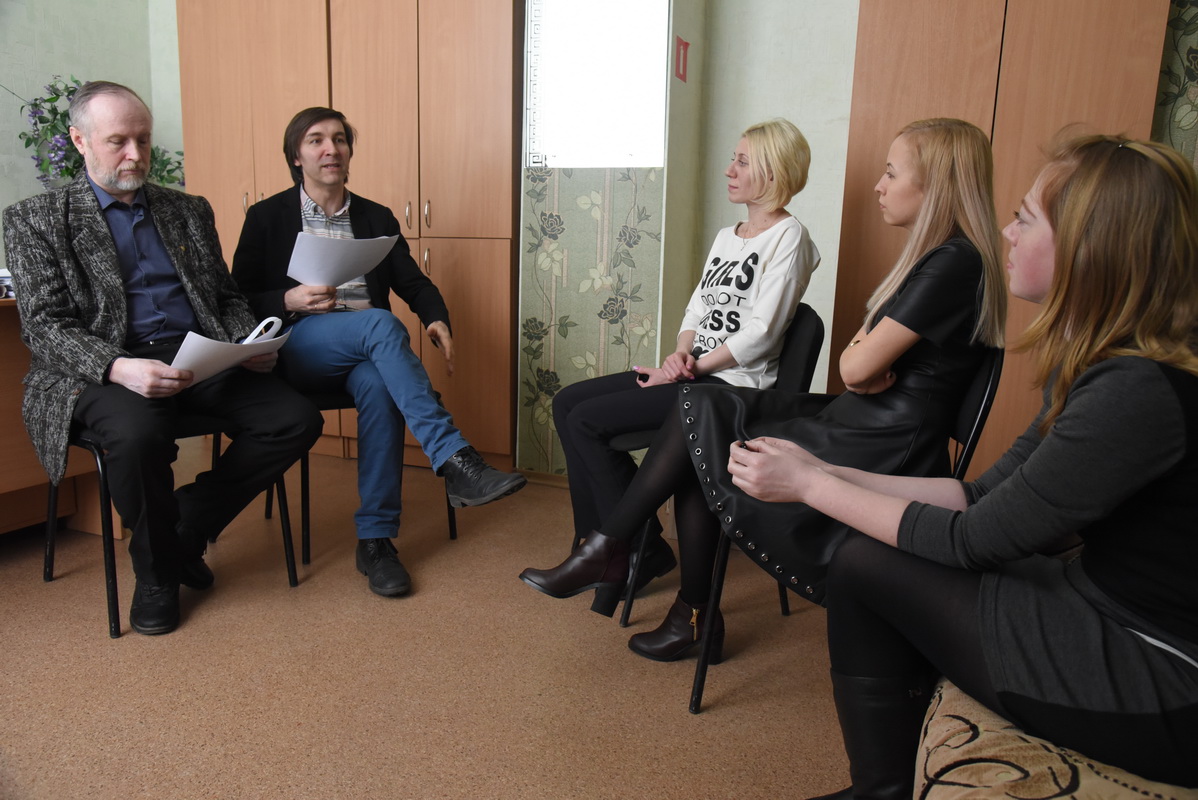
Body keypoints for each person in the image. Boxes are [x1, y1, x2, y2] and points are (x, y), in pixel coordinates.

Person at [729, 135, 1198, 795]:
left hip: (1164, 672)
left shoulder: (1136, 390)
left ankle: (880, 790)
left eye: (1025, 219)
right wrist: (824, 472)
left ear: (1088, 248)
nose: (1006, 231)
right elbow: (978, 496)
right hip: (1109, 604)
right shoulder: (1112, 365)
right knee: (870, 555)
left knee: (864, 562)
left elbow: (974, 538)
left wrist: (808, 485)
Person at [519, 119, 1007, 661]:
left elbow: (853, 367)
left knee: (702, 421)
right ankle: (657, 585)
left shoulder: (951, 263)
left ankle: (624, 558)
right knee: (696, 420)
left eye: (892, 173)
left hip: (882, 439)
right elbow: (858, 363)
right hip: (861, 416)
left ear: (936, 185)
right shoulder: (939, 260)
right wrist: (860, 357)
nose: (879, 184)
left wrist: (861, 356)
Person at [1, 81, 324, 635]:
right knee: (137, 435)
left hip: (196, 354)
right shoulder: (36, 218)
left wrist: (245, 341)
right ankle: (156, 575)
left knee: (294, 419)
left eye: (144, 140)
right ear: (79, 141)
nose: (136, 154)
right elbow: (45, 326)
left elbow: (224, 296)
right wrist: (119, 367)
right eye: (118, 141)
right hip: (100, 367)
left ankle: (184, 529)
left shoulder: (187, 210)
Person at [231, 107, 526, 599]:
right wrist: (287, 300)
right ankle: (454, 458)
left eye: (340, 139)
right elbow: (236, 298)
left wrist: (435, 317)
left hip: (370, 353)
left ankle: (376, 542)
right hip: (300, 345)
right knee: (381, 323)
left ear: (349, 151)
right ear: (296, 156)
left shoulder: (375, 217)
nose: (331, 149)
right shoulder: (266, 217)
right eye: (316, 140)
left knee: (379, 383)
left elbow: (413, 282)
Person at [546, 118, 820, 607]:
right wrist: (679, 354)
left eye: (741, 161)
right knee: (568, 403)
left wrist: (695, 368)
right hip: (696, 372)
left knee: (588, 422)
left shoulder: (789, 238)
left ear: (773, 170)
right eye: (733, 159)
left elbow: (761, 333)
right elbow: (697, 309)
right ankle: (611, 542)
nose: (728, 170)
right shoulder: (727, 235)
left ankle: (623, 548)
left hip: (731, 387)